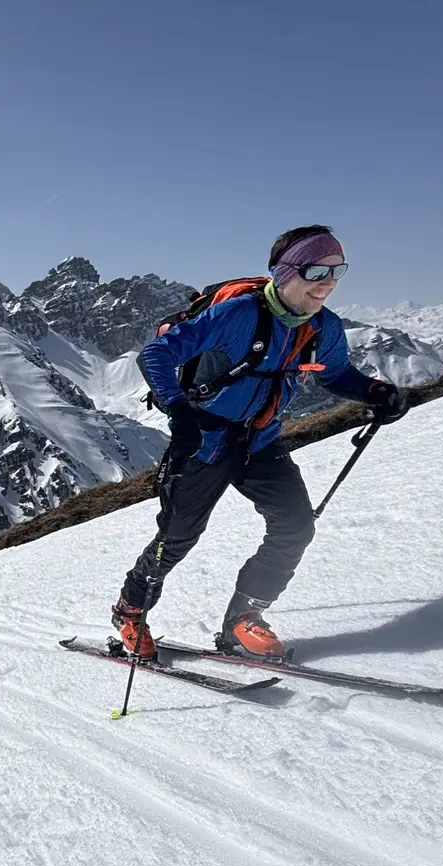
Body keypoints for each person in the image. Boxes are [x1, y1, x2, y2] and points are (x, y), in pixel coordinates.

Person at [113, 225, 409, 660]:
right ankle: (130, 611)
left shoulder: (322, 327)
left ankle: (244, 616)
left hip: (261, 441)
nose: (327, 282)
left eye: (336, 271)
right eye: (315, 271)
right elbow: (156, 354)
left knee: (295, 526)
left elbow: (335, 373)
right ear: (285, 272)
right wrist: (179, 410)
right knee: (177, 536)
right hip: (206, 443)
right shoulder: (237, 315)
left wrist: (373, 392)